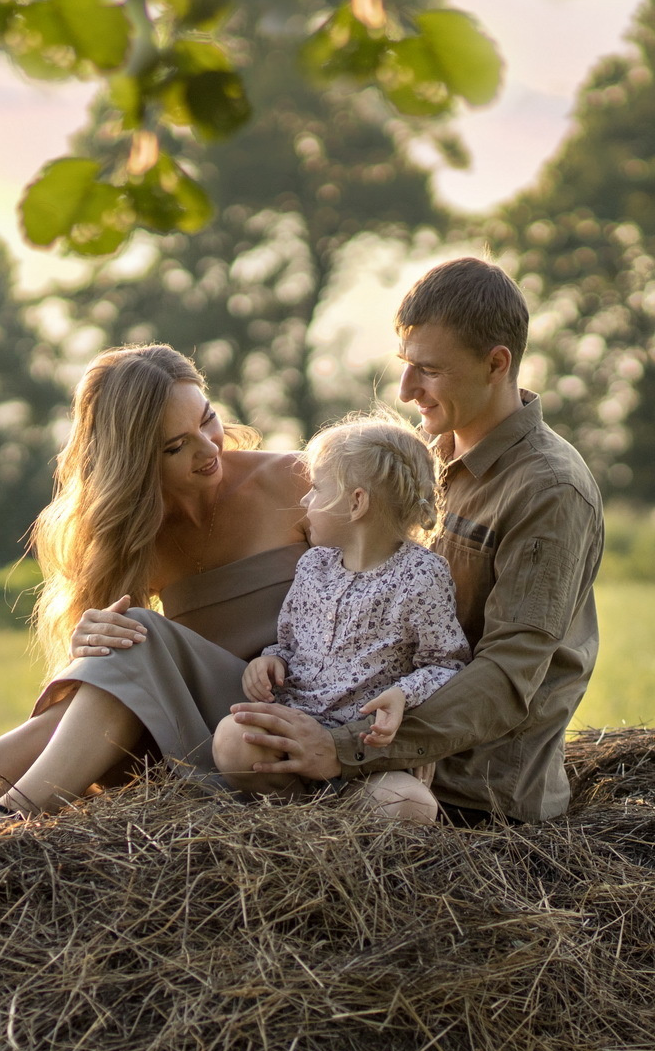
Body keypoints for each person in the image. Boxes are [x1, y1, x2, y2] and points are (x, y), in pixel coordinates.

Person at [0, 343, 310, 873]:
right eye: (174, 447)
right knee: (92, 675)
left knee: (136, 629)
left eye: (208, 420)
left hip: (287, 720)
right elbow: (93, 687)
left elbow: (393, 593)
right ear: (134, 459)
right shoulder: (134, 534)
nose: (208, 449)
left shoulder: (295, 481)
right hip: (196, 736)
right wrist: (90, 640)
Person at [220, 258, 604, 823]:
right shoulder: (420, 456)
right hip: (358, 736)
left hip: (466, 786)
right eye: (405, 364)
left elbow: (506, 678)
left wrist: (346, 748)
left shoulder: (550, 490)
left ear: (497, 364)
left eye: (428, 370)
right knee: (227, 736)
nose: (405, 391)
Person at [213, 416, 470, 825]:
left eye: (315, 489)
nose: (305, 503)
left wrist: (404, 694)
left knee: (412, 805)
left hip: (365, 755)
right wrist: (271, 660)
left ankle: (341, 820)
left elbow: (447, 663)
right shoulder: (313, 565)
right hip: (297, 729)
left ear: (356, 502)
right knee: (231, 738)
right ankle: (299, 816)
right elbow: (288, 643)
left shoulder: (422, 575)